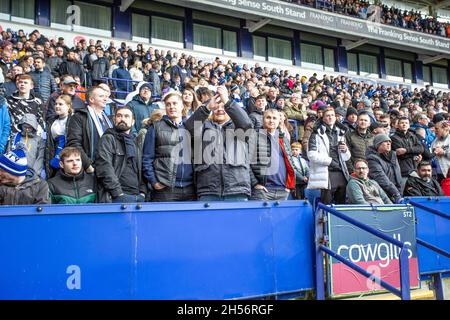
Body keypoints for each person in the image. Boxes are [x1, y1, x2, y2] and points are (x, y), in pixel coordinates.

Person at [186, 86, 253, 201]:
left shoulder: (238, 127)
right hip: (208, 189)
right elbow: (189, 128)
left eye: (224, 106)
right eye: (216, 106)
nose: (220, 109)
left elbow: (247, 125)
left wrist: (226, 101)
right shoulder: (203, 127)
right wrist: (207, 107)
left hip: (237, 189)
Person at [143, 92, 195, 202]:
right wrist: (154, 181)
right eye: (168, 104)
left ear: (182, 106)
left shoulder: (190, 126)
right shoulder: (155, 127)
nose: (171, 107)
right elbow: (147, 158)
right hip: (165, 189)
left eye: (175, 103)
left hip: (191, 188)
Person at [95, 106, 145, 203]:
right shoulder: (108, 138)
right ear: (114, 120)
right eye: (119, 116)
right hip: (116, 197)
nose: (122, 119)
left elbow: (141, 168)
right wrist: (118, 193)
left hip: (137, 196)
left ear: (133, 121)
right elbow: (104, 167)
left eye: (126, 116)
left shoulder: (135, 142)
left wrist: (143, 192)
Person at [250, 109, 296, 201]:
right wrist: (255, 184)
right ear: (263, 119)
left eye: (274, 118)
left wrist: (288, 187)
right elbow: (246, 163)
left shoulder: (284, 139)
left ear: (279, 120)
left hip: (283, 191)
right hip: (263, 191)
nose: (271, 120)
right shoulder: (254, 136)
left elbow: (290, 162)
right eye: (268, 117)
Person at [307, 107, 351, 204]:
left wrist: (345, 150)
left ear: (336, 118)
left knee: (341, 202)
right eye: (327, 115)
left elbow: (347, 157)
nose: (330, 117)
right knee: (326, 203)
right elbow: (311, 155)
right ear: (323, 118)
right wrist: (330, 161)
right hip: (326, 171)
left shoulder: (341, 133)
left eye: (332, 115)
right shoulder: (315, 134)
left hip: (340, 170)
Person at [66, 86, 113, 173]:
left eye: (106, 96)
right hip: (90, 169)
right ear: (91, 99)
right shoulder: (79, 117)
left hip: (108, 167)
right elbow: (74, 143)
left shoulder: (108, 119)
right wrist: (87, 165)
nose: (105, 99)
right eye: (101, 96)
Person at [366, 134, 403, 203]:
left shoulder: (393, 156)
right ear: (378, 144)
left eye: (389, 142)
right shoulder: (372, 159)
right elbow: (381, 178)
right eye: (385, 141)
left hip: (396, 193)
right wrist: (395, 193)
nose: (389, 143)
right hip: (382, 194)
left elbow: (398, 176)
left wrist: (399, 192)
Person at [45, 95, 73, 178]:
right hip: (53, 153)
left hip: (69, 154)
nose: (57, 106)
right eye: (56, 104)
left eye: (60, 104)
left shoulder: (74, 119)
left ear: (68, 106)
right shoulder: (51, 121)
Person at [390, 117, 424, 185]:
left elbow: (421, 149)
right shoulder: (393, 138)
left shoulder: (413, 136)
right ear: (397, 125)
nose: (404, 124)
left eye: (406, 123)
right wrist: (414, 153)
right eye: (402, 123)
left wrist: (406, 150)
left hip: (414, 168)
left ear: (409, 125)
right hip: (402, 170)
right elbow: (401, 155)